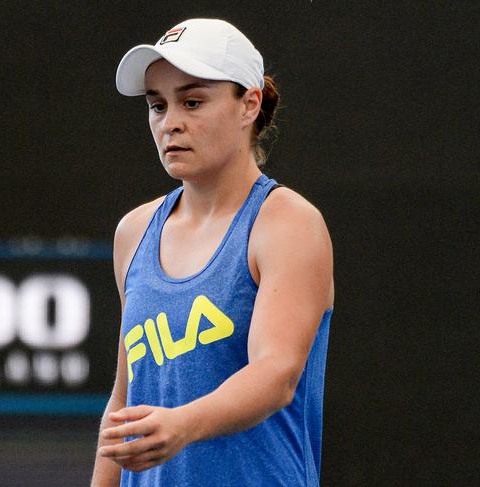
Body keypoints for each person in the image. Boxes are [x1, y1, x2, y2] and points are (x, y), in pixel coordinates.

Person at [92, 18, 334, 487]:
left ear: (249, 104)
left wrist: (181, 425)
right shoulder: (134, 232)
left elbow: (276, 373)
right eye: (157, 105)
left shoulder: (287, 223)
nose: (171, 122)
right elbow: (123, 400)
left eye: (193, 101)